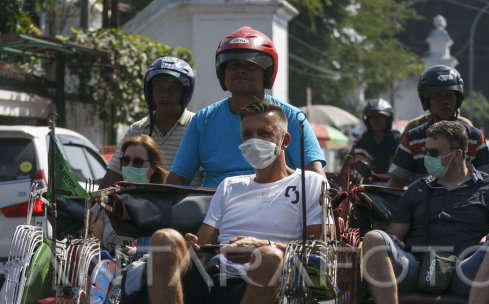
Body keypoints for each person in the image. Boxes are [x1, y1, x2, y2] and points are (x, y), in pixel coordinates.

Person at [136, 99, 326, 304]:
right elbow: (203, 244)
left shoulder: (309, 183)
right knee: (164, 239)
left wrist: (261, 245)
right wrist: (188, 247)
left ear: (284, 140)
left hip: (272, 286)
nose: (254, 141)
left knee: (268, 257)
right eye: (247, 134)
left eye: (263, 133)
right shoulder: (230, 186)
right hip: (215, 277)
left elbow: (317, 248)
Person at [361, 120, 489, 304]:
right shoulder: (418, 188)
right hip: (416, 267)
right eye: (426, 152)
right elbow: (395, 233)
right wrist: (392, 239)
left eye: (434, 153)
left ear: (457, 155)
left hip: (464, 271)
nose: (427, 158)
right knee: (374, 239)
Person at [166, 26, 325, 189]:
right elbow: (178, 179)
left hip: (275, 204)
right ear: (223, 73)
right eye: (233, 65)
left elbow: (316, 180)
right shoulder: (202, 120)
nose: (240, 71)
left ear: (267, 73)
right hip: (213, 204)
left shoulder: (291, 117)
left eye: (250, 66)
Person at [387, 65, 489, 188]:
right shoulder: (413, 139)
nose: (445, 101)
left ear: (458, 99)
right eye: (438, 96)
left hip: (466, 205)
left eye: (449, 96)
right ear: (426, 101)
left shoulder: (475, 137)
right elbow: (396, 184)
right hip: (424, 206)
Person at [101, 57, 195, 187]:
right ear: (150, 92)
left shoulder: (197, 126)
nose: (165, 94)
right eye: (159, 88)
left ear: (184, 93)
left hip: (185, 206)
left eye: (173, 88)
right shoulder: (137, 129)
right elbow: (113, 175)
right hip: (142, 206)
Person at [91, 135, 167, 253]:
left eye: (138, 162)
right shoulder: (107, 201)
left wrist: (138, 251)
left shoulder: (162, 206)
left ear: (152, 168)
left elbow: (166, 249)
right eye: (125, 161)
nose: (130, 166)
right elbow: (91, 245)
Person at [351, 98, 401, 175]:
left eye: (381, 117)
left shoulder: (397, 139)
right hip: (367, 184)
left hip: (393, 184)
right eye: (374, 117)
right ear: (367, 120)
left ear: (388, 120)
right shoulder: (362, 142)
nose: (377, 121)